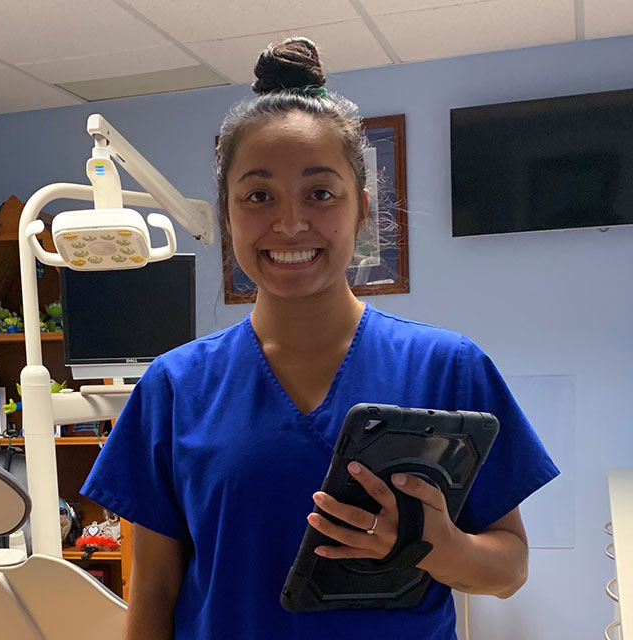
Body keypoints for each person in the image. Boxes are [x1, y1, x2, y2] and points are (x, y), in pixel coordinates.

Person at [81, 37, 558, 640]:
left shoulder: (448, 369)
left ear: (361, 211)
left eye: (320, 193)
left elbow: (508, 569)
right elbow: (152, 590)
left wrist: (432, 545)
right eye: (258, 196)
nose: (289, 223)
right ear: (227, 219)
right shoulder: (175, 389)